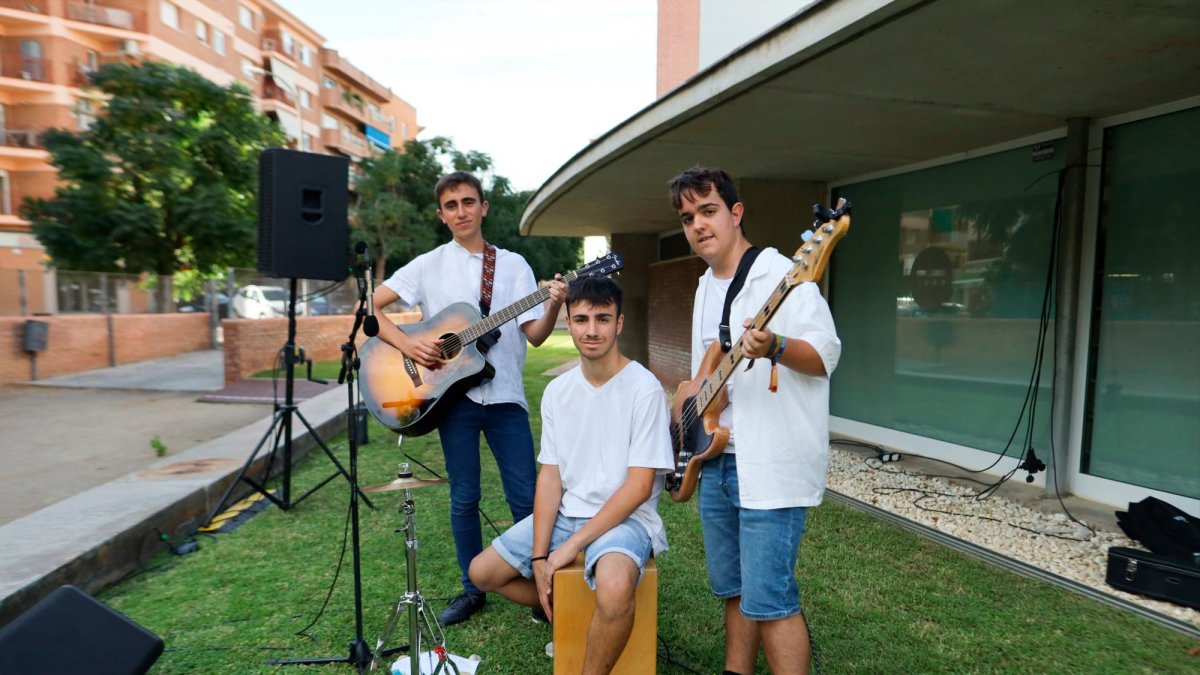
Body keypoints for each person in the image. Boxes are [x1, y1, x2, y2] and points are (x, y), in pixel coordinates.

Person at [373, 171, 566, 626]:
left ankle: (539, 588)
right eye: (451, 205)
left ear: (484, 207)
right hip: (451, 400)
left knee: (525, 495)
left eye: (468, 202)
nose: (461, 211)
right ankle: (470, 589)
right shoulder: (427, 265)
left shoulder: (514, 266)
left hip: (505, 398)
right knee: (464, 496)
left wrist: (554, 302)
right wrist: (407, 345)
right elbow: (371, 307)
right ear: (441, 215)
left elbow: (535, 335)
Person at [669, 167, 841, 675]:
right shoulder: (704, 285)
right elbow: (708, 370)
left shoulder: (785, 276)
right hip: (717, 456)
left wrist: (776, 346)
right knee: (734, 588)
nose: (698, 225)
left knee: (772, 600)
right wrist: (689, 415)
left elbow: (826, 355)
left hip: (771, 462)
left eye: (708, 211)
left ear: (735, 212)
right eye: (687, 218)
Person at [468, 276, 673, 675]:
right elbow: (550, 477)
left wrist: (571, 546)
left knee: (614, 589)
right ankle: (572, 605)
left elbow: (638, 487)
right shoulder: (558, 391)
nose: (591, 330)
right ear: (567, 322)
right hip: (568, 514)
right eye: (581, 319)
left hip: (625, 520)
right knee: (482, 572)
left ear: (619, 323)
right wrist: (542, 556)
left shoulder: (643, 388)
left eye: (602, 319)